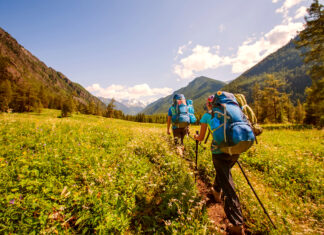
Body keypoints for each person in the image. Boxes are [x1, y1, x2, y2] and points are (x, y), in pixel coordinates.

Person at [194, 95, 245, 235]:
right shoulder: (230, 113)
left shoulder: (206, 116)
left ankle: (236, 223)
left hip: (219, 152)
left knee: (228, 184)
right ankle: (216, 191)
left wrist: (196, 137)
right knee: (223, 174)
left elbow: (202, 137)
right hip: (236, 149)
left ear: (210, 105)